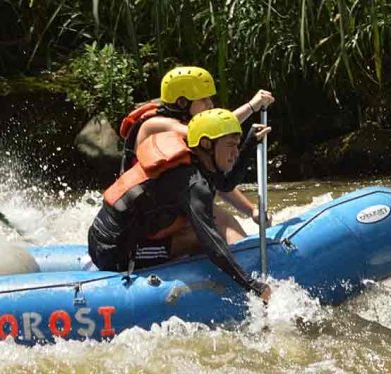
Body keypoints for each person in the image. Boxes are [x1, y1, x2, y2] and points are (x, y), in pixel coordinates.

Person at [88, 108, 271, 303]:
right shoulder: (191, 181)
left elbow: (224, 183)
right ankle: (202, 291)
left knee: (202, 228)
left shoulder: (197, 159)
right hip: (113, 251)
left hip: (114, 235)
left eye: (238, 145)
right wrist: (253, 286)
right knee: (199, 238)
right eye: (230, 146)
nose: (235, 152)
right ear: (207, 144)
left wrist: (250, 143)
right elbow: (211, 242)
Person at [118, 66, 275, 239]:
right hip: (148, 215)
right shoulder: (155, 125)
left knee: (221, 216)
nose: (210, 105)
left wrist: (251, 209)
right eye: (204, 100)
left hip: (174, 205)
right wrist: (251, 107)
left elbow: (215, 180)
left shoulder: (195, 143)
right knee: (219, 218)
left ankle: (243, 251)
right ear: (182, 103)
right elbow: (214, 129)